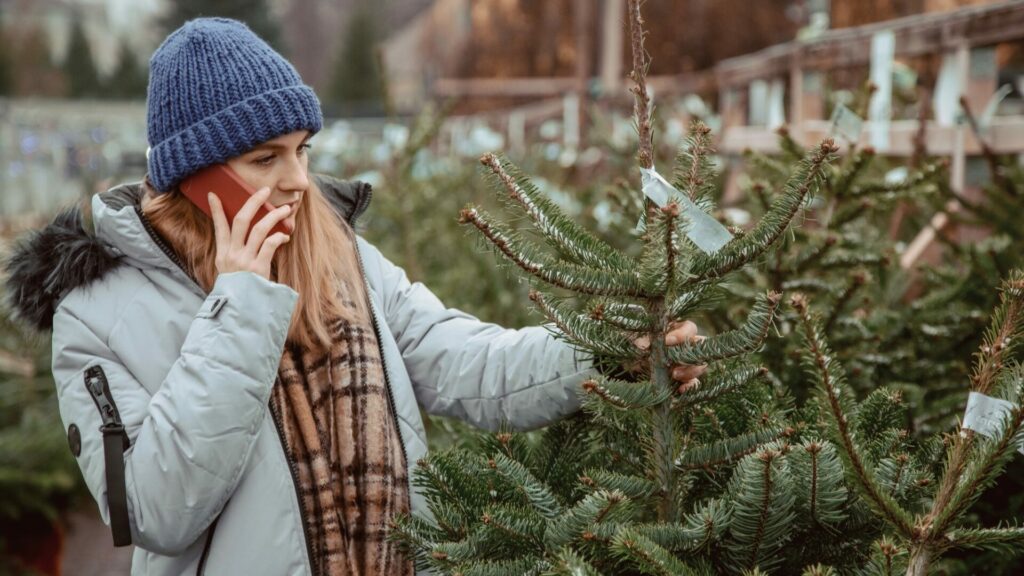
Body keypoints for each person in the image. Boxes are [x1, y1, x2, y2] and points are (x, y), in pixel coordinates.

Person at [3, 18, 706, 576]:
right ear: (194, 178)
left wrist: (610, 354)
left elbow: (464, 360)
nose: (298, 181)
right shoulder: (96, 315)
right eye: (264, 159)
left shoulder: (339, 256)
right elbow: (157, 509)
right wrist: (240, 305)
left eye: (302, 149)